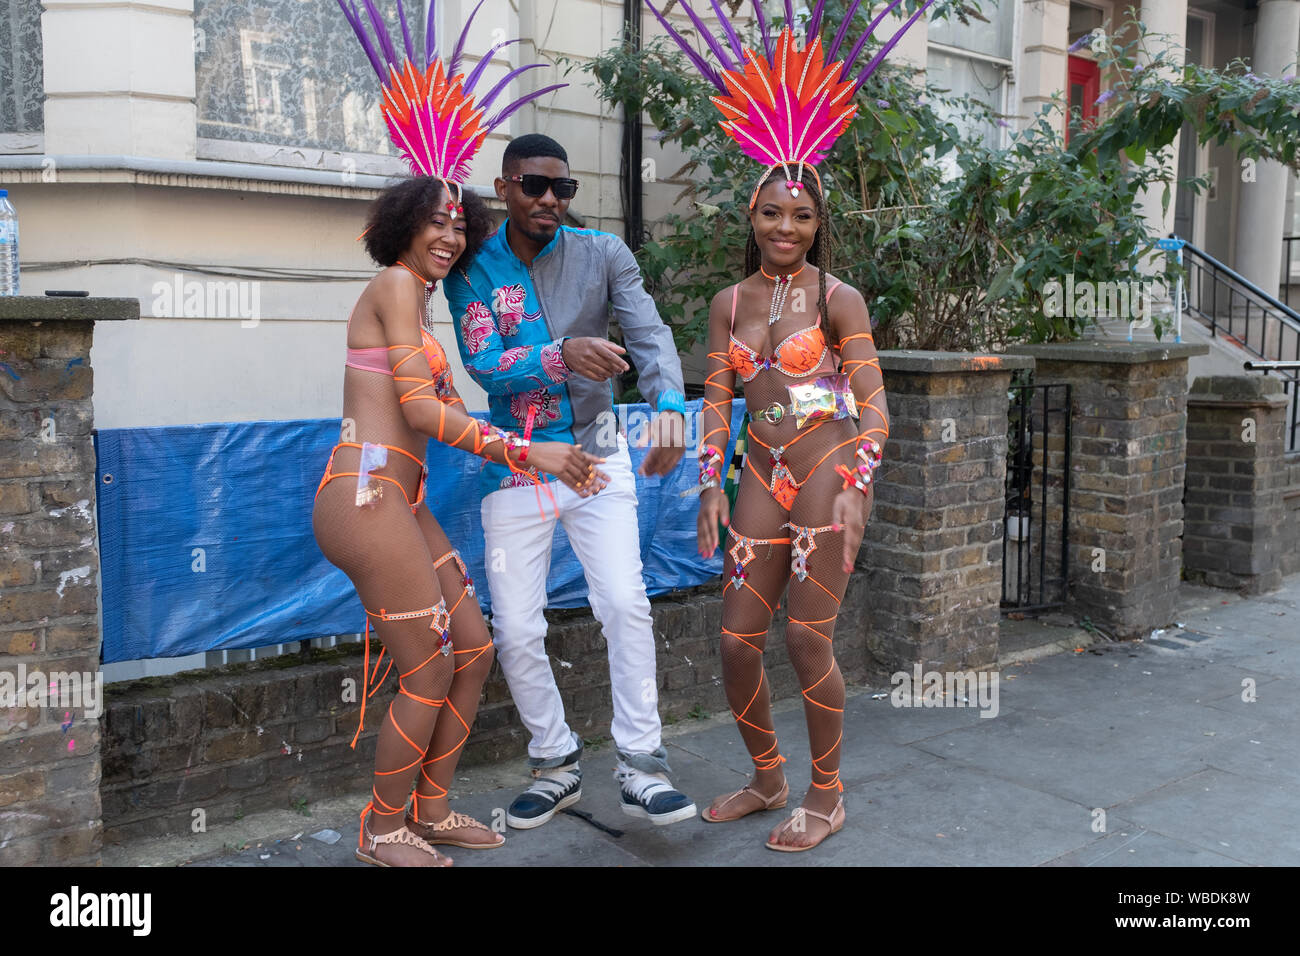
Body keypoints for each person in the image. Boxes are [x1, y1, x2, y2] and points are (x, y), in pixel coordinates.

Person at [321, 0, 600, 866]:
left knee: (472, 649)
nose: (448, 234)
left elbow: (434, 409)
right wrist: (528, 449)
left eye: (457, 223)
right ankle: (381, 827)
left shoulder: (420, 303)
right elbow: (417, 414)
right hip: (365, 495)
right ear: (405, 226)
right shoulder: (396, 288)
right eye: (434, 221)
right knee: (429, 668)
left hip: (397, 499)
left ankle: (431, 809)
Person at [646, 0, 918, 850]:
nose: (786, 228)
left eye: (801, 216)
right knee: (733, 641)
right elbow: (721, 402)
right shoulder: (729, 304)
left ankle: (827, 792)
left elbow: (875, 405)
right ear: (751, 218)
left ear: (817, 222)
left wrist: (858, 488)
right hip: (760, 474)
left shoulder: (839, 299)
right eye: (772, 213)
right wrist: (706, 490)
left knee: (806, 635)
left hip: (829, 469)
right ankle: (768, 778)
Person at [444, 133, 697, 829]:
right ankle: (555, 763)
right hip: (518, 465)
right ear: (504, 187)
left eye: (564, 188)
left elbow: (649, 332)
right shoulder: (470, 267)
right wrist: (563, 355)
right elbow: (485, 365)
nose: (551, 200)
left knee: (624, 601)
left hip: (600, 453)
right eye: (534, 186)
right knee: (517, 628)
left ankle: (643, 765)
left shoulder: (603, 255)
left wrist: (670, 409)